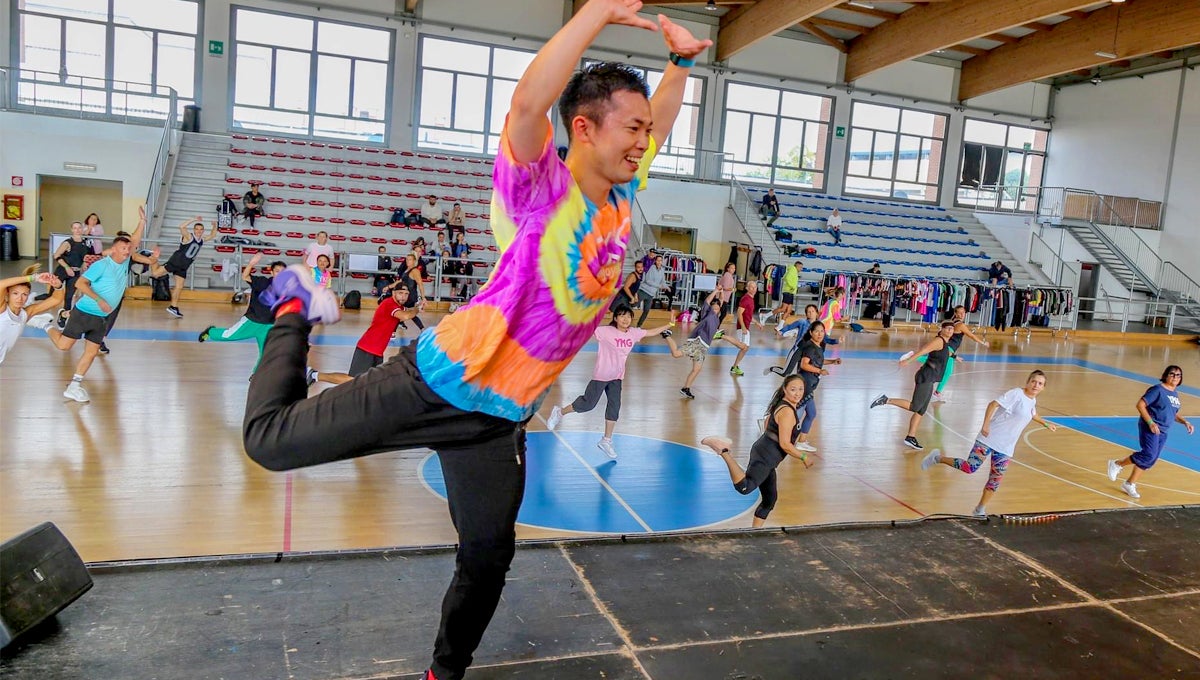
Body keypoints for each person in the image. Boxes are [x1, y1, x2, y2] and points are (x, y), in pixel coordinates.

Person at [239, 7, 711, 678]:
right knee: (269, 443)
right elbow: (529, 104)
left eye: (645, 131)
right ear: (583, 128)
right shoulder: (542, 187)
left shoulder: (622, 191)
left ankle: (445, 670)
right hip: (439, 381)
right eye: (631, 128)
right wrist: (593, 14)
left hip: (497, 421)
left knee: (488, 555)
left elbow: (658, 115)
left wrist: (681, 63)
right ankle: (293, 303)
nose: (644, 140)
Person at [921, 370, 1057, 516]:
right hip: (989, 438)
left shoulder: (1032, 400)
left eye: (1040, 384)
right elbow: (992, 404)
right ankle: (937, 458)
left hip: (1006, 447)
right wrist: (985, 425)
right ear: (1028, 382)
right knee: (969, 467)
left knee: (995, 480)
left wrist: (1045, 423)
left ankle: (979, 509)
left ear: (1043, 388)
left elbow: (1032, 413)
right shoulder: (1016, 394)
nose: (1036, 385)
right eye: (1033, 381)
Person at [545, 303, 674, 458]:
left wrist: (670, 324)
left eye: (629, 316)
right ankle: (559, 412)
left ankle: (606, 440)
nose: (626, 319)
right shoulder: (605, 331)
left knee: (614, 407)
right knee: (588, 404)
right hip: (601, 375)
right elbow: (585, 327)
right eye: (622, 316)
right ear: (615, 318)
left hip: (617, 377)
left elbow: (651, 332)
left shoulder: (633, 333)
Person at [44, 230, 157, 402]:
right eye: (123, 248)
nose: (127, 251)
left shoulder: (126, 261)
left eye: (128, 248)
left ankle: (74, 386)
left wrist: (142, 222)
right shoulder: (102, 265)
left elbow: (134, 241)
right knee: (64, 346)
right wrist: (99, 300)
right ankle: (45, 324)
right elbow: (80, 283)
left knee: (91, 352)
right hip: (84, 312)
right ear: (114, 249)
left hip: (103, 317)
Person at [700, 374, 813, 528]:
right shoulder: (787, 411)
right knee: (745, 487)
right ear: (785, 389)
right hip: (766, 455)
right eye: (793, 389)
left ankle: (755, 532)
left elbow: (767, 423)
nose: (797, 393)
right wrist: (804, 457)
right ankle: (723, 449)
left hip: (768, 455)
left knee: (769, 500)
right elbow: (785, 444)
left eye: (800, 389)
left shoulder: (785, 405)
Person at [1106, 365, 1194, 499]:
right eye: (1172, 374)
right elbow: (1140, 405)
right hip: (1150, 427)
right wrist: (1150, 423)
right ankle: (1117, 464)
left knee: (1150, 460)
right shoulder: (1158, 390)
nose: (1175, 377)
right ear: (1166, 375)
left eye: (1178, 375)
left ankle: (1129, 483)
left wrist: (1185, 422)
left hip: (1163, 431)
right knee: (1148, 455)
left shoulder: (1175, 394)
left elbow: (1173, 413)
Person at [869, 320, 957, 450]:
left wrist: (955, 357)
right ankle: (886, 400)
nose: (950, 330)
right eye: (947, 328)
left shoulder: (945, 343)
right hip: (926, 376)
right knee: (915, 406)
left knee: (921, 410)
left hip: (931, 378)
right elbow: (923, 351)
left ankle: (911, 437)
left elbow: (946, 353)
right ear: (942, 329)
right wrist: (908, 361)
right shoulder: (938, 341)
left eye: (952, 329)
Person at [198, 254, 286, 373]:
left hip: (269, 326)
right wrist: (251, 264)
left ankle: (256, 375)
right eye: (277, 271)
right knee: (229, 335)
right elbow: (245, 276)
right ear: (272, 272)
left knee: (266, 352)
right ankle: (210, 332)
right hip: (252, 321)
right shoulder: (262, 282)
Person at [669, 288, 749, 396]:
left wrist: (721, 292)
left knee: (697, 369)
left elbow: (721, 301)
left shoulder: (717, 319)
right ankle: (667, 335)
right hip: (697, 342)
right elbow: (707, 301)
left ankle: (685, 388)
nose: (715, 310)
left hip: (704, 346)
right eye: (714, 308)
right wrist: (716, 291)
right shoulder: (707, 313)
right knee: (676, 354)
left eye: (717, 308)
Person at [149, 216, 218, 319]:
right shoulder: (189, 237)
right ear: (194, 230)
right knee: (155, 274)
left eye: (201, 229)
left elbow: (213, 235)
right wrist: (193, 219)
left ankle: (173, 307)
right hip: (176, 262)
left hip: (183, 266)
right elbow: (181, 227)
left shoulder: (202, 240)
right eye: (197, 229)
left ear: (203, 231)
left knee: (179, 286)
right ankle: (153, 257)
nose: (199, 231)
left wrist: (215, 226)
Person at [348, 284, 419, 377]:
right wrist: (417, 309)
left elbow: (409, 311)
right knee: (353, 380)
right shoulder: (389, 304)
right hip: (367, 348)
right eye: (400, 293)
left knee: (373, 381)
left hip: (378, 351)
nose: (403, 296)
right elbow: (406, 316)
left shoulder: (399, 307)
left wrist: (419, 307)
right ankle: (327, 376)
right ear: (393, 293)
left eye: (406, 294)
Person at [0, 266, 64, 365]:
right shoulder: (2, 309)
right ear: (7, 295)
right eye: (15, 293)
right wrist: (34, 278)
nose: (20, 298)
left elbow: (56, 300)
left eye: (24, 294)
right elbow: (2, 284)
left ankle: (38, 322)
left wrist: (58, 286)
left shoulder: (24, 314)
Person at [925, 304, 986, 403]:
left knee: (936, 364)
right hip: (949, 349)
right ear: (956, 313)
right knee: (947, 372)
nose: (962, 315)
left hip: (946, 347)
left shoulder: (952, 321)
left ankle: (937, 393)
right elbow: (971, 336)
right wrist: (983, 343)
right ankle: (937, 393)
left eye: (963, 312)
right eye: (960, 313)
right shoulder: (960, 325)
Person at [51, 221, 93, 326]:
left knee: (69, 296)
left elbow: (86, 257)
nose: (77, 230)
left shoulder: (86, 244)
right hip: (63, 270)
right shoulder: (68, 243)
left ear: (82, 229)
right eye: (75, 228)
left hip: (75, 272)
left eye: (79, 228)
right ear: (72, 230)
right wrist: (67, 267)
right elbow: (56, 255)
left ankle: (63, 317)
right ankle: (39, 308)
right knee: (52, 293)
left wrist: (84, 264)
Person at [763, 260, 802, 327]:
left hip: (791, 292)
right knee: (783, 309)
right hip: (788, 292)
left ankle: (780, 326)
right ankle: (765, 316)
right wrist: (792, 287)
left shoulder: (794, 272)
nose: (801, 269)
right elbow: (787, 278)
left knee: (789, 310)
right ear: (797, 266)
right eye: (800, 267)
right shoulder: (792, 270)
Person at [636, 254, 666, 327]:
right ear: (655, 261)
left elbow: (663, 281)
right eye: (658, 260)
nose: (659, 262)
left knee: (646, 310)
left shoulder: (662, 270)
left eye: (660, 260)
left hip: (651, 294)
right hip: (644, 291)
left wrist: (666, 287)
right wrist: (659, 286)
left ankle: (639, 326)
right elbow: (648, 281)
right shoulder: (652, 268)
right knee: (633, 305)